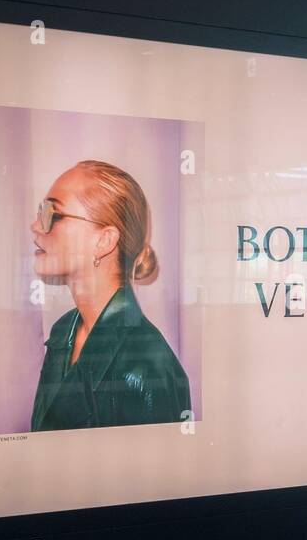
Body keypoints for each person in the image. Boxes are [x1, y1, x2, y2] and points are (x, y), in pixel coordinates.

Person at [29, 159, 191, 432]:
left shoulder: (145, 366)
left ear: (104, 241)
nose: (36, 225)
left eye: (51, 214)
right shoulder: (63, 332)